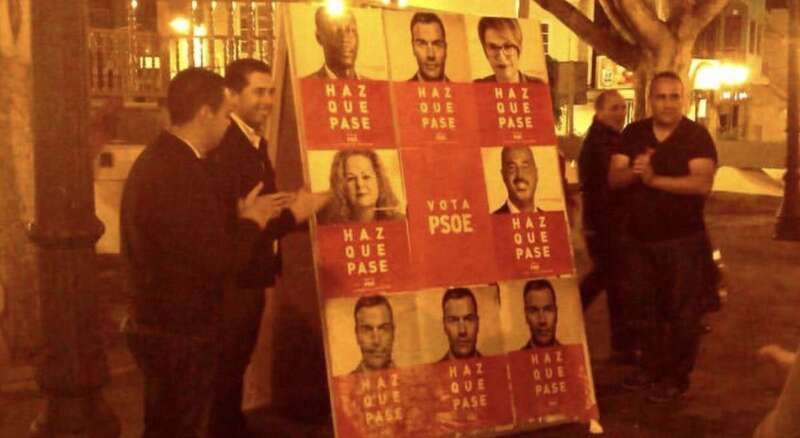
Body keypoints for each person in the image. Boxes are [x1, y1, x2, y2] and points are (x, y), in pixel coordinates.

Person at [120, 68, 280, 437]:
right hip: (180, 329)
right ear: (205, 113)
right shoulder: (179, 170)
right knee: (182, 424)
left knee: (167, 422)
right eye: (226, 115)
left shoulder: (165, 158)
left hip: (158, 321)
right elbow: (218, 259)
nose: (227, 125)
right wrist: (252, 221)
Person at [207, 59, 329, 438]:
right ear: (232, 96)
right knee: (227, 368)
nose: (268, 101)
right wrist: (296, 213)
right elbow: (247, 218)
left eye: (272, 92)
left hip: (251, 275)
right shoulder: (229, 145)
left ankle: (230, 426)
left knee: (234, 366)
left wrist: (294, 205)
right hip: (236, 279)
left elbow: (265, 206)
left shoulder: (253, 140)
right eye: (258, 92)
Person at [609, 71, 717, 403]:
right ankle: (650, 368)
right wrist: (636, 172)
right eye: (661, 96)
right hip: (638, 241)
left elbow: (701, 184)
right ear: (649, 100)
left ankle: (676, 377)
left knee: (683, 313)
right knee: (644, 310)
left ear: (683, 99)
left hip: (682, 241)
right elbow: (614, 178)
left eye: (674, 96)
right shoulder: (633, 133)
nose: (668, 104)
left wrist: (654, 180)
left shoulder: (696, 137)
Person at [577, 90, 638, 362]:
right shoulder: (601, 143)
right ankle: (622, 345)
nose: (620, 113)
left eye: (623, 108)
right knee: (612, 280)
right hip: (605, 223)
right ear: (599, 111)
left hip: (608, 222)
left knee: (611, 280)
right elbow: (613, 181)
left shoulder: (611, 139)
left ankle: (622, 345)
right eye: (614, 108)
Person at [318, 149, 404, 224]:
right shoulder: (328, 224)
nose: (359, 184)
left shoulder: (399, 221)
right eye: (351, 178)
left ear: (379, 181)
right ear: (341, 186)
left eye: (366, 177)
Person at [474, 17, 545, 84]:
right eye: (493, 47)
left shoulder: (538, 86)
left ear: (519, 49)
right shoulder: (476, 87)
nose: (501, 57)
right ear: (485, 51)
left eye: (508, 46)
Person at [306, 7, 363, 80]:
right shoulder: (306, 84)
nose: (345, 40)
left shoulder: (372, 85)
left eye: (351, 31)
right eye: (337, 32)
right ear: (319, 38)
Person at [352, 295, 395, 373]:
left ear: (393, 332)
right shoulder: (345, 381)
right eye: (367, 330)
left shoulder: (412, 379)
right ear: (357, 335)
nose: (376, 341)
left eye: (383, 329)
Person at [494, 146, 541, 214]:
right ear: (503, 175)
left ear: (536, 173)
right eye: (512, 168)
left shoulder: (550, 218)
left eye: (525, 166)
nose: (520, 175)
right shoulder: (492, 219)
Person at [439, 288, 481, 361]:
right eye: (453, 320)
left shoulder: (495, 366)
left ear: (477, 323)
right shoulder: (436, 368)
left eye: (469, 319)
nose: (462, 331)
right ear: (444, 325)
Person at [408, 12, 449, 82]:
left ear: (445, 48)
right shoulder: (399, 89)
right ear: (413, 48)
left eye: (437, 44)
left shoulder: (462, 89)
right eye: (422, 44)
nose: (431, 55)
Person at [520, 280, 560, 349]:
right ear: (526, 316)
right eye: (534, 311)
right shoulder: (518, 356)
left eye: (548, 310)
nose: (542, 320)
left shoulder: (572, 354)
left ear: (556, 313)